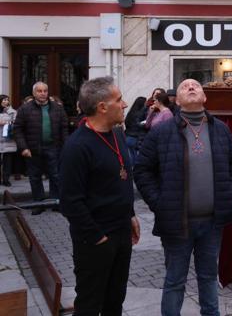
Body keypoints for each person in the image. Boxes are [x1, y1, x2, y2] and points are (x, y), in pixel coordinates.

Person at [134, 78, 232, 316]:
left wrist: (230, 195)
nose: (191, 88)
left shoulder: (221, 129)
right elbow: (142, 170)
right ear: (177, 100)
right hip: (176, 223)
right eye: (185, 86)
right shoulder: (162, 131)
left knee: (208, 278)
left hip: (213, 223)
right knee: (175, 280)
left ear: (204, 97)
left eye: (196, 86)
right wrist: (159, 203)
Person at [59, 76, 140, 316]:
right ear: (102, 107)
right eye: (119, 100)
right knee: (90, 303)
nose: (125, 104)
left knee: (115, 300)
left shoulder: (117, 134)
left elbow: (121, 178)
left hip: (121, 232)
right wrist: (98, 238)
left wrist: (131, 214)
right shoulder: (77, 146)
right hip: (95, 240)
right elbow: (70, 202)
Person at [13, 82, 69, 215]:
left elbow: (64, 128)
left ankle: (56, 202)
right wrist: (23, 147)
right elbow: (17, 130)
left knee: (56, 175)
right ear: (34, 93)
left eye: (45, 91)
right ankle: (38, 203)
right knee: (35, 177)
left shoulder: (57, 108)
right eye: (39, 91)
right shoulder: (24, 109)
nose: (43, 93)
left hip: (54, 148)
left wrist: (66, 146)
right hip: (33, 149)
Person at [0, 95, 17, 186]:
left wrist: (6, 122)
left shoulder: (12, 112)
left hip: (8, 140)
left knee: (7, 162)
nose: (6, 101)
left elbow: (16, 121)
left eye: (7, 100)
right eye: (4, 100)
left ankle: (6, 179)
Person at [124, 96, 147, 161]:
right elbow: (139, 125)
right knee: (136, 159)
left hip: (127, 137)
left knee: (130, 158)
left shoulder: (131, 112)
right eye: (145, 102)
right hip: (135, 138)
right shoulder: (141, 113)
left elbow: (126, 122)